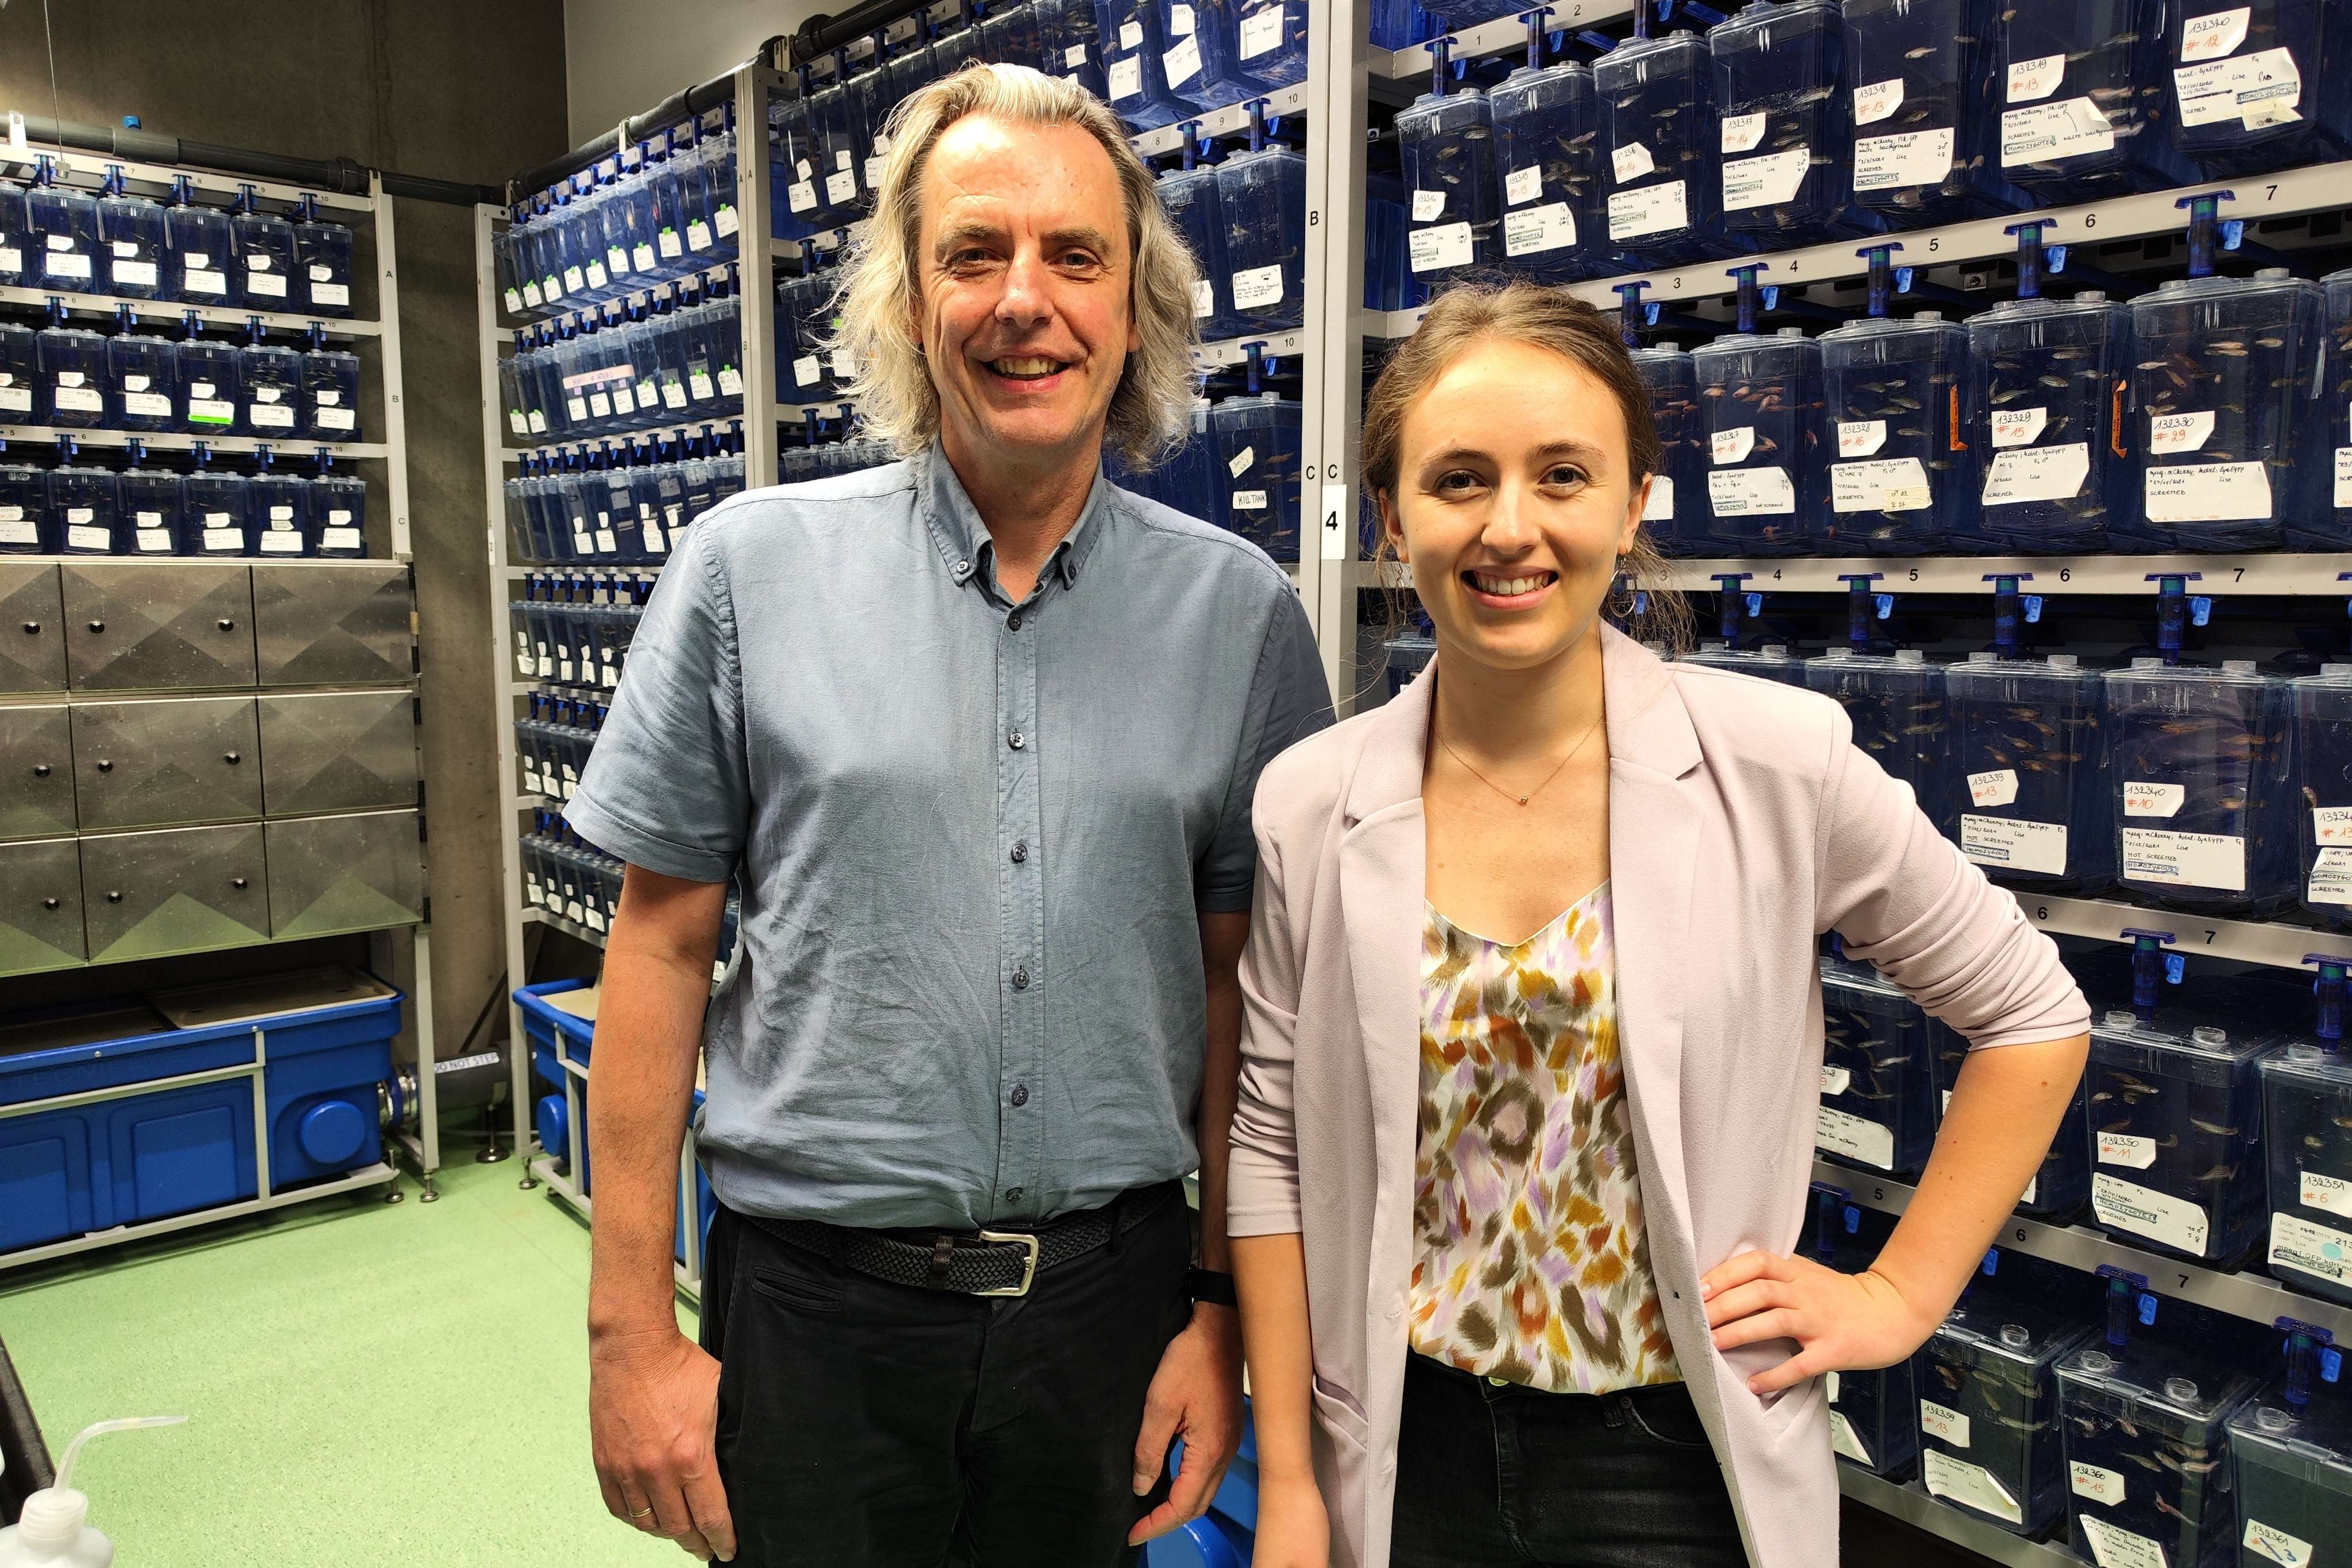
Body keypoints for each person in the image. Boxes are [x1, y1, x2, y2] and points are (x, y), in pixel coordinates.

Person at [567, 63, 1330, 1567]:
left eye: (1074, 257)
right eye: (974, 254)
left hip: (1109, 1314)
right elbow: (657, 958)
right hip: (815, 1316)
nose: (1022, 300)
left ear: (1135, 306)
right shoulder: (744, 574)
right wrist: (629, 1335)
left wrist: (1216, 1310)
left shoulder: (1239, 618)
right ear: (911, 303)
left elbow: (1248, 1001)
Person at [1225, 283, 2091, 1568]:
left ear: (1631, 506)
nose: (1508, 527)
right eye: (1458, 479)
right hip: (1407, 1452)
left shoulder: (1777, 763)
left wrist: (1899, 1294)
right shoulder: (1311, 800)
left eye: (1560, 475)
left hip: (1675, 1463)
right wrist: (1289, 1476)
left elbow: (2029, 1015)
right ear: (1392, 515)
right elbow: (1267, 1142)